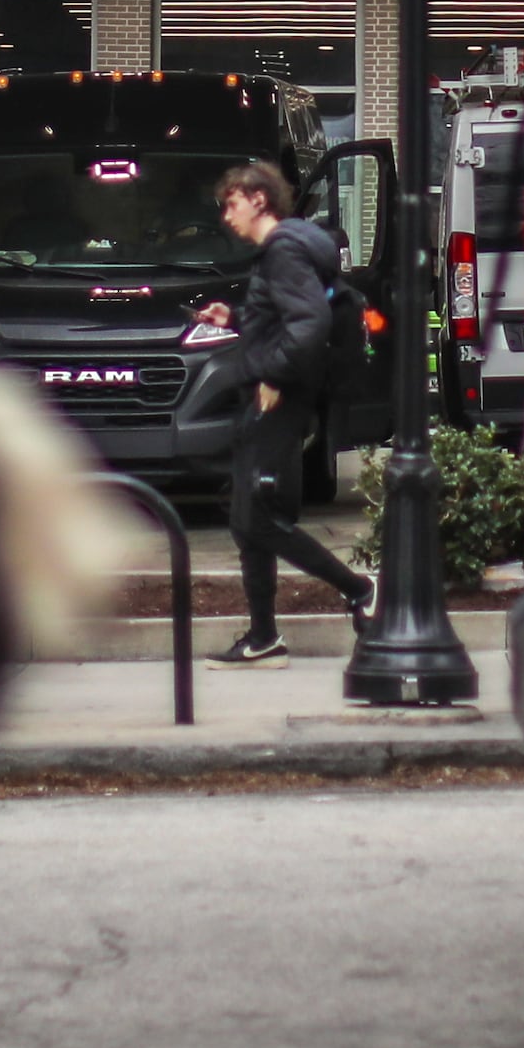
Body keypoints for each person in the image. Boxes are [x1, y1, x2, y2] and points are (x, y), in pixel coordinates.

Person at [191, 160, 370, 667]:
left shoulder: (285, 250)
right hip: (269, 397)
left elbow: (308, 325)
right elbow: (286, 317)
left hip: (278, 399)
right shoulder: (282, 253)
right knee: (248, 522)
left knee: (259, 519)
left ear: (257, 199)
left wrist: (273, 373)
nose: (226, 216)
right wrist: (238, 317)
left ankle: (359, 590)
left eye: (231, 203)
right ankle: (264, 637)